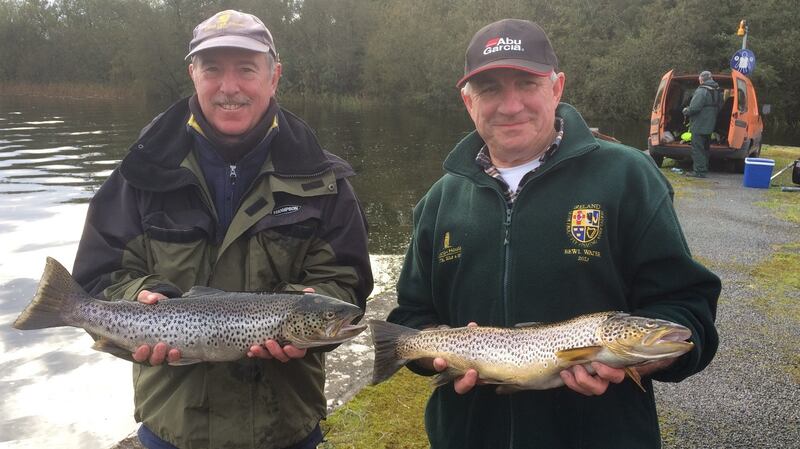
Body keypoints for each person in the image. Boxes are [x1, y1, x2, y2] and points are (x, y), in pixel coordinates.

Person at [387, 19, 719, 449]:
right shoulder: (438, 200)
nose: (510, 106)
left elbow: (688, 310)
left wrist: (635, 361)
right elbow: (411, 319)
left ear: (557, 87)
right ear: (467, 101)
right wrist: (441, 360)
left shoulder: (629, 176)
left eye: (526, 83)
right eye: (490, 89)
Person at [72, 10, 373, 449]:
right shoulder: (140, 174)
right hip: (174, 429)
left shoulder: (324, 182)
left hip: (285, 428)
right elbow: (98, 278)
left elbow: (346, 285)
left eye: (246, 69)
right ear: (193, 74)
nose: (229, 87)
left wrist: (321, 307)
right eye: (213, 69)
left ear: (274, 77)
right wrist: (139, 301)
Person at [682, 70, 721, 177]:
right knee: (705, 148)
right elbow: (719, 107)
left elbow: (694, 108)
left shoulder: (701, 91)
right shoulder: (717, 90)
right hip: (710, 124)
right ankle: (704, 168)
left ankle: (699, 172)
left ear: (701, 79)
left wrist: (686, 110)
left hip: (699, 125)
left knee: (697, 148)